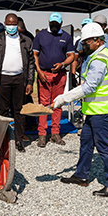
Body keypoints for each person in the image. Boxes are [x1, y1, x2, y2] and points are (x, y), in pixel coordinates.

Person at [53, 23, 108, 197]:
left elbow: (90, 87)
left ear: (99, 41)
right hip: (94, 111)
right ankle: (81, 176)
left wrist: (64, 98)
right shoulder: (101, 55)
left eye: (87, 42)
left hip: (104, 111)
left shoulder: (100, 59)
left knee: (104, 147)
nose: (84, 45)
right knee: (86, 142)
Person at [0, 13, 35, 152]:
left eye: (13, 24)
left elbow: (31, 62)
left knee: (19, 111)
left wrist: (30, 81)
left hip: (20, 79)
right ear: (5, 24)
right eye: (8, 24)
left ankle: (19, 140)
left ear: (17, 24)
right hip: (3, 78)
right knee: (2, 110)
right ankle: (2, 140)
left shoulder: (26, 41)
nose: (11, 27)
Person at [32, 13, 77, 147]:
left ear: (61, 23)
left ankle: (55, 133)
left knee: (57, 104)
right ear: (48, 22)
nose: (54, 25)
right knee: (44, 105)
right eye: (52, 23)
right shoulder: (41, 35)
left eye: (57, 23)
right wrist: (39, 71)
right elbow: (34, 54)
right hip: (44, 75)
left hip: (60, 76)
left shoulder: (66, 37)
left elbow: (71, 56)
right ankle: (42, 134)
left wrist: (62, 64)